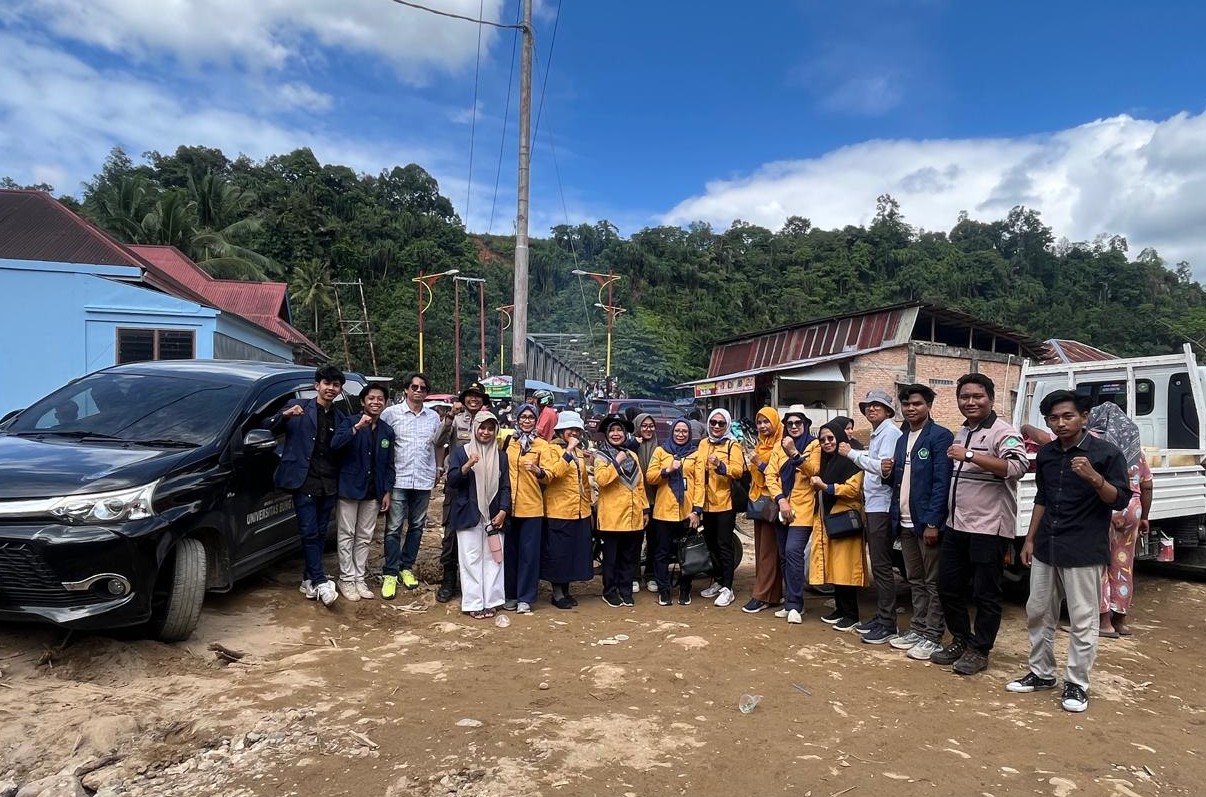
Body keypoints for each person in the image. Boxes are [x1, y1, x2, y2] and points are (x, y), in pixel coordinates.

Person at [1007, 390, 1129, 712]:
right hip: (1047, 545)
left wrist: (1094, 478)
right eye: (1053, 418)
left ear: (1084, 417)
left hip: (1084, 549)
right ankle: (1042, 673)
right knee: (1038, 612)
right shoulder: (1047, 454)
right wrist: (1030, 540)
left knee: (1083, 619)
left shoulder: (1106, 454)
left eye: (1067, 416)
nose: (1060, 423)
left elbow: (1119, 499)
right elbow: (1042, 498)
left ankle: (1076, 683)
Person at [1025, 403, 1153, 637]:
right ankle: (1120, 619)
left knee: (1098, 567)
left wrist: (1025, 427)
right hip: (1132, 508)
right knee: (1123, 564)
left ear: (1089, 418)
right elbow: (1147, 485)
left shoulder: (1097, 443)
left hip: (1108, 505)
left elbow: (1046, 439)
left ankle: (1104, 621)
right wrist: (1145, 515)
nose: (1062, 423)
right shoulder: (1135, 449)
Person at [931, 373, 1029, 675]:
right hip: (957, 526)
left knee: (986, 593)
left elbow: (1018, 467)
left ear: (991, 398)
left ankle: (980, 649)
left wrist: (971, 455)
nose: (970, 402)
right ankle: (961, 639)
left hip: (989, 528)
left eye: (977, 396)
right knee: (948, 587)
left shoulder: (1003, 432)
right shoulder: (962, 431)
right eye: (964, 397)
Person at [262, 364, 348, 606]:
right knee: (309, 531)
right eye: (326, 383)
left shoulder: (340, 417)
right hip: (304, 480)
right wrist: (284, 416)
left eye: (336, 385)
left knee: (320, 531)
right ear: (317, 385)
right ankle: (319, 580)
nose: (331, 388)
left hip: (329, 482)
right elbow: (266, 427)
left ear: (340, 390)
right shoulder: (297, 407)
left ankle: (308, 579)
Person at [886, 384, 954, 661]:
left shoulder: (940, 436)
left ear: (929, 406)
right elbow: (898, 481)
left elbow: (941, 483)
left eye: (917, 403)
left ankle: (933, 635)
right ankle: (918, 628)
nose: (911, 408)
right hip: (904, 521)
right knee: (914, 578)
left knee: (932, 581)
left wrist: (933, 522)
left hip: (926, 522)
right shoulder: (903, 438)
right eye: (906, 404)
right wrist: (887, 472)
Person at [841, 389, 903, 644]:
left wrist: (852, 454)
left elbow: (883, 468)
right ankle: (883, 616)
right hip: (874, 505)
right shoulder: (879, 433)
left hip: (883, 506)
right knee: (878, 564)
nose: (871, 409)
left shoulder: (890, 433)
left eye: (877, 405)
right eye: (868, 405)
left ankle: (888, 623)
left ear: (888, 410)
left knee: (882, 565)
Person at [378, 372, 447, 599]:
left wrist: (438, 468)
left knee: (417, 526)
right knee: (394, 527)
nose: (418, 391)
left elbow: (438, 444)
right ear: (406, 389)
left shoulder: (433, 417)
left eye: (422, 388)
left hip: (424, 478)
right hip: (399, 478)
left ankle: (406, 567)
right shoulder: (391, 414)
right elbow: (382, 443)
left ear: (427, 393)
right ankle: (390, 572)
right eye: (414, 387)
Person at [330, 383, 396, 602]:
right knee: (346, 534)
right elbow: (335, 445)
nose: (376, 402)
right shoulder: (349, 422)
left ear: (385, 403)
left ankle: (359, 578)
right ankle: (346, 579)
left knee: (365, 536)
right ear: (363, 402)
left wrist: (387, 490)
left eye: (380, 399)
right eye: (371, 398)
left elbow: (389, 464)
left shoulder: (387, 431)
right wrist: (357, 427)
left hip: (373, 491)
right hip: (349, 488)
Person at [446, 410, 512, 619]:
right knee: (470, 559)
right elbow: (452, 481)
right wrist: (467, 466)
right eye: (482, 427)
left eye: (491, 429)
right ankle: (474, 602)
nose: (485, 432)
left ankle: (492, 601)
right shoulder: (462, 452)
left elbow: (505, 486)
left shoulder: (501, 456)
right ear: (475, 428)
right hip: (469, 513)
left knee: (494, 558)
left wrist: (503, 511)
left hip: (494, 515)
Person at [809, 419, 868, 631]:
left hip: (846, 520)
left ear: (840, 438)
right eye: (822, 439)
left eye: (830, 438)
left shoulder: (852, 460)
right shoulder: (828, 462)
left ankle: (851, 615)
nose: (826, 442)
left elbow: (853, 490)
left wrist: (826, 487)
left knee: (847, 568)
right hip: (831, 521)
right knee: (836, 566)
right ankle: (841, 610)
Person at [435, 381, 491, 603]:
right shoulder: (456, 419)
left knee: (479, 531)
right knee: (451, 532)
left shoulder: (489, 421)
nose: (473, 399)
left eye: (478, 396)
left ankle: (477, 582)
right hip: (458, 483)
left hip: (483, 483)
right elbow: (438, 441)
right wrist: (449, 417)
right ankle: (449, 580)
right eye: (470, 395)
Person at [687, 409, 745, 607]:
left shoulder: (732, 445)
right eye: (713, 422)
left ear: (727, 425)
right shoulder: (703, 443)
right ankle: (719, 581)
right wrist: (697, 506)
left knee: (724, 545)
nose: (717, 426)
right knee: (710, 544)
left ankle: (728, 588)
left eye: (721, 423)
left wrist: (721, 465)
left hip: (724, 503)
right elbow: (698, 474)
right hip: (706, 504)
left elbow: (738, 471)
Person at [591, 414, 650, 607]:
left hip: (633, 515)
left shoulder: (632, 455)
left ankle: (626, 590)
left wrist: (645, 509)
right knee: (611, 559)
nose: (616, 434)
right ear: (607, 434)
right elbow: (602, 480)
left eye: (619, 430)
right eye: (612, 431)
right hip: (612, 518)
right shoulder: (601, 456)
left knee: (629, 557)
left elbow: (639, 484)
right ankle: (610, 591)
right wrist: (617, 461)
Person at [503, 403, 557, 613]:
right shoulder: (510, 441)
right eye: (523, 417)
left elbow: (550, 475)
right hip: (509, 507)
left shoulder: (542, 445)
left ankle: (525, 597)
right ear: (517, 419)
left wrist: (538, 470)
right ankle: (510, 594)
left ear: (536, 421)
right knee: (510, 553)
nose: (526, 420)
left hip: (532, 507)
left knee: (529, 555)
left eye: (531, 417)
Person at [540, 410, 595, 609]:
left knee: (572, 551)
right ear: (561, 431)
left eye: (577, 430)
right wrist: (568, 452)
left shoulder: (579, 452)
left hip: (579, 510)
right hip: (558, 510)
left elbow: (584, 482)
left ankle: (566, 589)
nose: (574, 433)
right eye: (570, 429)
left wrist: (588, 507)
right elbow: (551, 475)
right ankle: (557, 592)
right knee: (558, 553)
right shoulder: (550, 450)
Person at [645, 419, 700, 605]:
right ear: (672, 432)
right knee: (662, 552)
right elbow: (650, 477)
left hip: (687, 512)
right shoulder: (661, 451)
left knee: (687, 553)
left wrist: (697, 510)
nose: (681, 434)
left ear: (689, 433)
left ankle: (685, 589)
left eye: (684, 431)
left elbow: (700, 483)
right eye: (677, 430)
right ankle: (664, 590)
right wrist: (668, 470)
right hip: (664, 512)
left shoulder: (695, 454)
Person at [741, 406, 788, 614]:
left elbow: (778, 474)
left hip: (773, 502)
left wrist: (758, 462)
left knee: (768, 551)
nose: (762, 426)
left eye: (766, 421)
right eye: (759, 422)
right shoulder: (761, 444)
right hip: (759, 500)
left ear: (775, 422)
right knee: (763, 549)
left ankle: (762, 596)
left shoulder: (781, 445)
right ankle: (772, 594)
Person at [777, 405, 819, 624]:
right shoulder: (779, 446)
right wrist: (780, 500)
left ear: (805, 424)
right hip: (781, 508)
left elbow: (814, 471)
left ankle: (795, 604)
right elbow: (770, 475)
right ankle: (790, 602)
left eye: (798, 423)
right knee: (784, 556)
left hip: (803, 509)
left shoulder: (814, 445)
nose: (793, 427)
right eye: (789, 423)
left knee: (793, 551)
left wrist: (794, 453)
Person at [631, 413, 661, 593]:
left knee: (654, 540)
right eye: (644, 426)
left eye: (651, 426)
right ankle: (634, 576)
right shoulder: (631, 446)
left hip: (656, 500)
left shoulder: (660, 447)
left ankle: (651, 575)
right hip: (635, 500)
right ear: (637, 427)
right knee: (635, 540)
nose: (648, 429)